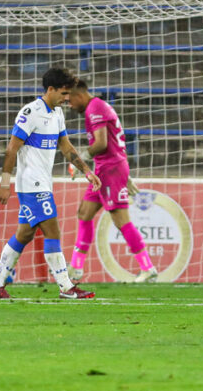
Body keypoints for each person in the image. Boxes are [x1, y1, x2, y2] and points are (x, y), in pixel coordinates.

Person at [0, 68, 101, 299]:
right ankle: (66, 287)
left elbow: (66, 147)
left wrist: (87, 171)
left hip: (42, 183)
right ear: (50, 90)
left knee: (24, 234)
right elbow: (11, 149)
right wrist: (5, 183)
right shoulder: (30, 112)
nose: (67, 98)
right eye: (64, 93)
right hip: (32, 184)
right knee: (53, 231)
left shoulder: (57, 113)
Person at [66, 79, 158, 283]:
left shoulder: (94, 108)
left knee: (120, 219)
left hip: (110, 169)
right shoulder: (97, 106)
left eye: (70, 100)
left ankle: (147, 267)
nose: (70, 105)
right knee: (84, 212)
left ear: (78, 95)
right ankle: (76, 267)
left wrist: (78, 160)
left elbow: (101, 143)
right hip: (106, 168)